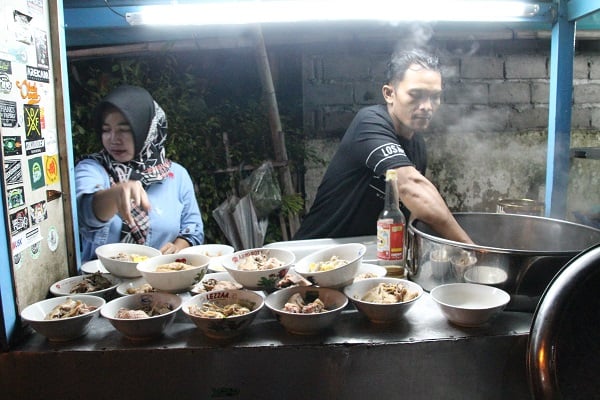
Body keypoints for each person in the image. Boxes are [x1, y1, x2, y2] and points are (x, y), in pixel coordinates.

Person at [294, 49, 473, 244]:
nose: (427, 106)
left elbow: (414, 211)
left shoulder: (417, 146)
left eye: (434, 97)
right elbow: (412, 189)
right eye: (416, 95)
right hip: (317, 253)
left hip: (371, 256)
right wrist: (472, 249)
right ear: (389, 94)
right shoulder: (370, 123)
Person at [75, 85, 204, 262]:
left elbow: (193, 230)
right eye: (106, 130)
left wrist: (177, 247)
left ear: (147, 129)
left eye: (125, 129)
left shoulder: (177, 175)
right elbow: (85, 213)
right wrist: (115, 195)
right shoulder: (92, 168)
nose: (114, 139)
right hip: (104, 285)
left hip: (164, 281)